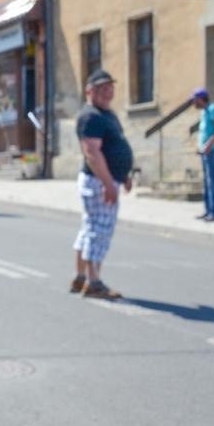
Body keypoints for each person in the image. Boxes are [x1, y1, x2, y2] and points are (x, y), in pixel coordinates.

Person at [72, 69, 135, 299]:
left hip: (105, 178)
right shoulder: (91, 116)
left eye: (110, 88)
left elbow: (114, 146)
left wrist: (124, 174)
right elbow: (92, 152)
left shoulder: (106, 114)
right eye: (101, 88)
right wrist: (108, 183)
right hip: (98, 181)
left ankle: (81, 277)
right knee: (99, 231)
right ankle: (94, 282)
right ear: (89, 91)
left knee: (89, 228)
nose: (107, 92)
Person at [193, 88, 214, 223]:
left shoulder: (213, 109)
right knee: (207, 181)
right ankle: (208, 210)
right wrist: (200, 146)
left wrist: (208, 145)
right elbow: (205, 131)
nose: (194, 103)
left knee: (212, 181)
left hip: (213, 150)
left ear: (201, 99)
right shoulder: (204, 112)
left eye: (195, 100)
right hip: (206, 150)